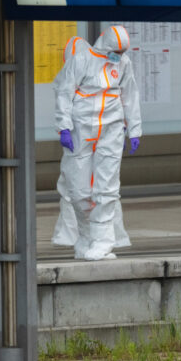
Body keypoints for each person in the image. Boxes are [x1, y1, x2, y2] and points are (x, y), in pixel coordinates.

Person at [54, 25, 141, 261]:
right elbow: (64, 92)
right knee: (78, 190)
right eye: (116, 51)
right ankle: (86, 238)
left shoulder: (123, 64)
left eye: (122, 52)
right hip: (81, 130)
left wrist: (134, 129)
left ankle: (103, 242)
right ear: (106, 44)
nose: (119, 56)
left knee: (107, 188)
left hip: (111, 130)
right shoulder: (81, 60)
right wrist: (64, 126)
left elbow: (130, 95)